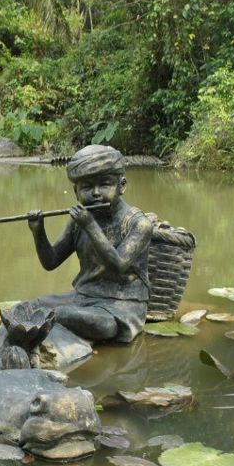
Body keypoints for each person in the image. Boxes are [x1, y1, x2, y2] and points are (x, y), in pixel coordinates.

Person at [14, 144, 154, 345]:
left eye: (105, 184)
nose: (96, 193)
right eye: (87, 187)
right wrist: (38, 232)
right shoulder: (78, 221)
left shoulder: (138, 224)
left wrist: (90, 225)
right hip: (83, 297)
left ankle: (46, 325)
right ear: (75, 192)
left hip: (121, 306)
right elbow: (51, 261)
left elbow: (119, 264)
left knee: (103, 326)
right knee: (27, 306)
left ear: (122, 185)